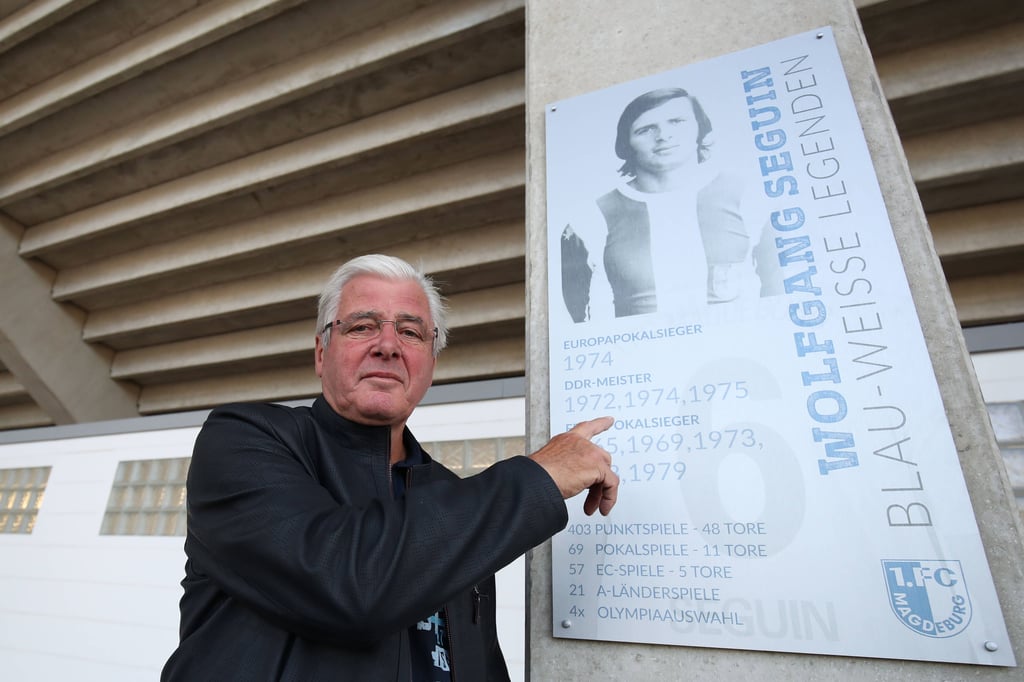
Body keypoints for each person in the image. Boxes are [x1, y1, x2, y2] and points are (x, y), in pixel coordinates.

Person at [161, 254, 618, 681]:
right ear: (321, 352)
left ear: (431, 362)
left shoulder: (456, 496)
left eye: (411, 332)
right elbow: (349, 587)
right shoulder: (245, 440)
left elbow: (480, 661)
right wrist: (537, 478)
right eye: (362, 326)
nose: (387, 346)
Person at [560, 87, 782, 322]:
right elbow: (578, 317)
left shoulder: (749, 196)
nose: (663, 136)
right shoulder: (589, 218)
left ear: (699, 127)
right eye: (646, 129)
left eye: (677, 121)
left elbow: (779, 289)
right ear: (626, 143)